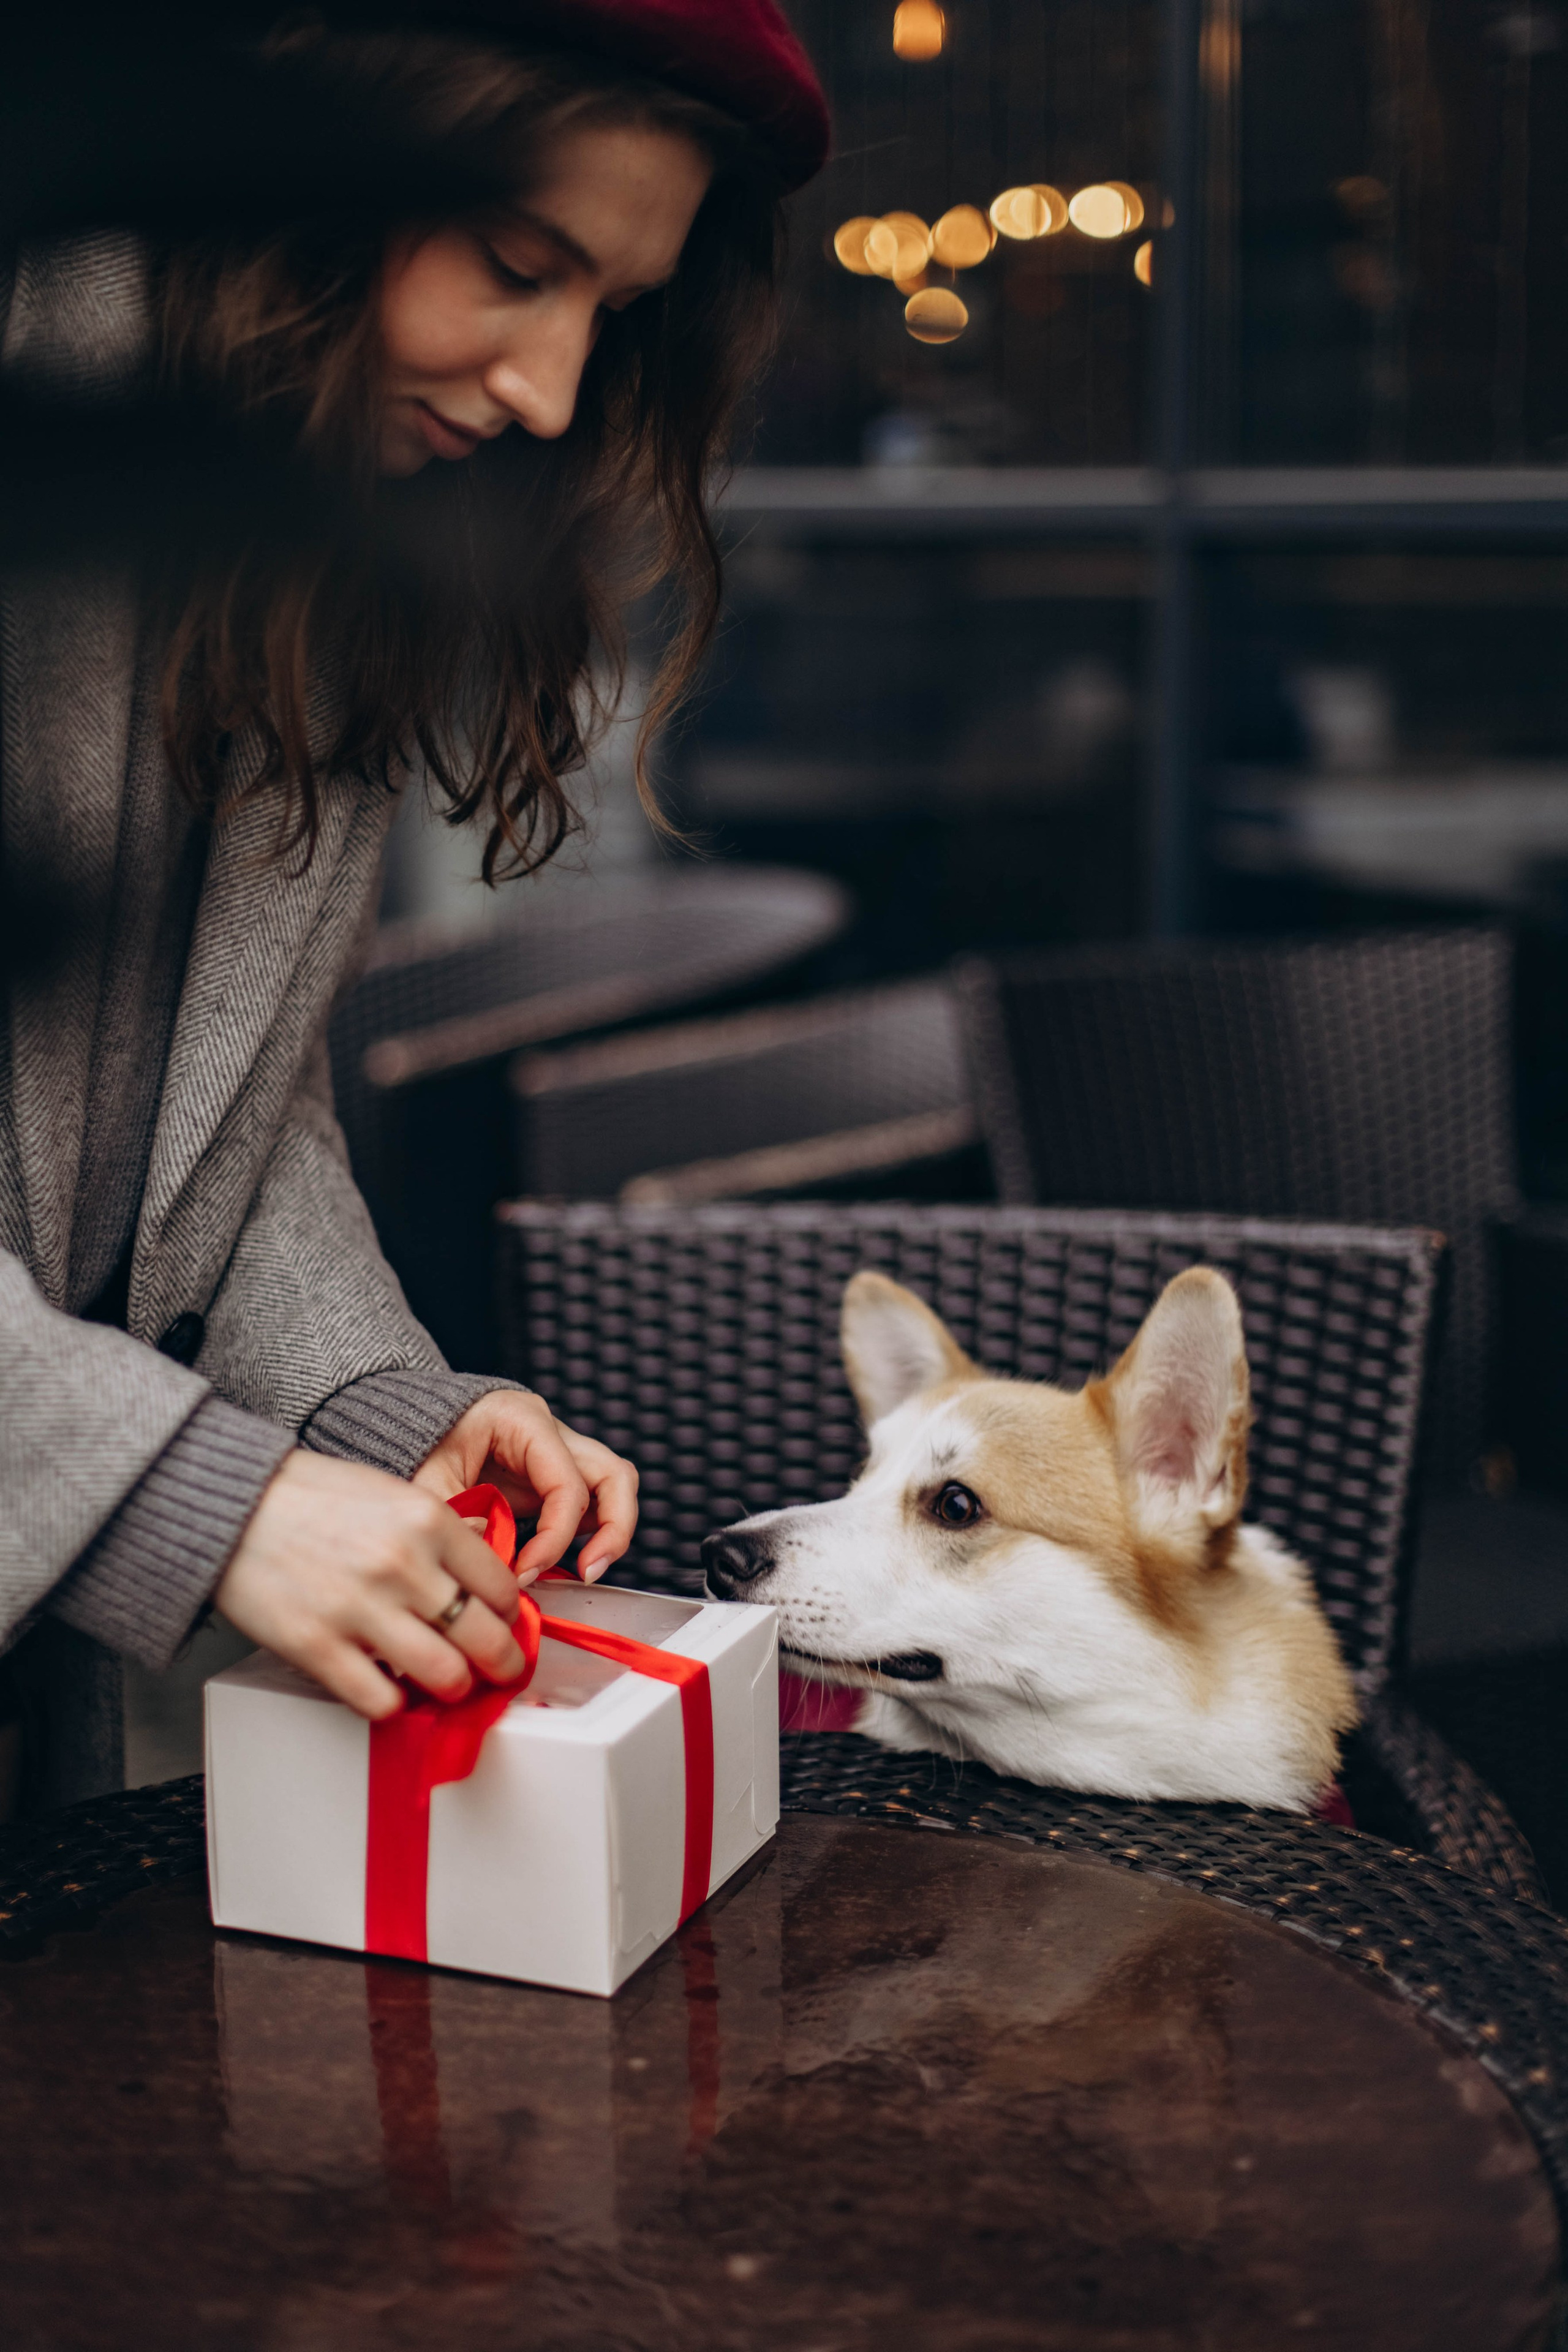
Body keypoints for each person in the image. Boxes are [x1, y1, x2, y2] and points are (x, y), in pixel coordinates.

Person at [0, 2, 829, 1814]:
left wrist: (379, 1405)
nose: (545, 389)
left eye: (607, 318)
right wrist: (174, 1497)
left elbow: (216, 1102)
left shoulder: (307, 532)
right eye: (517, 265)